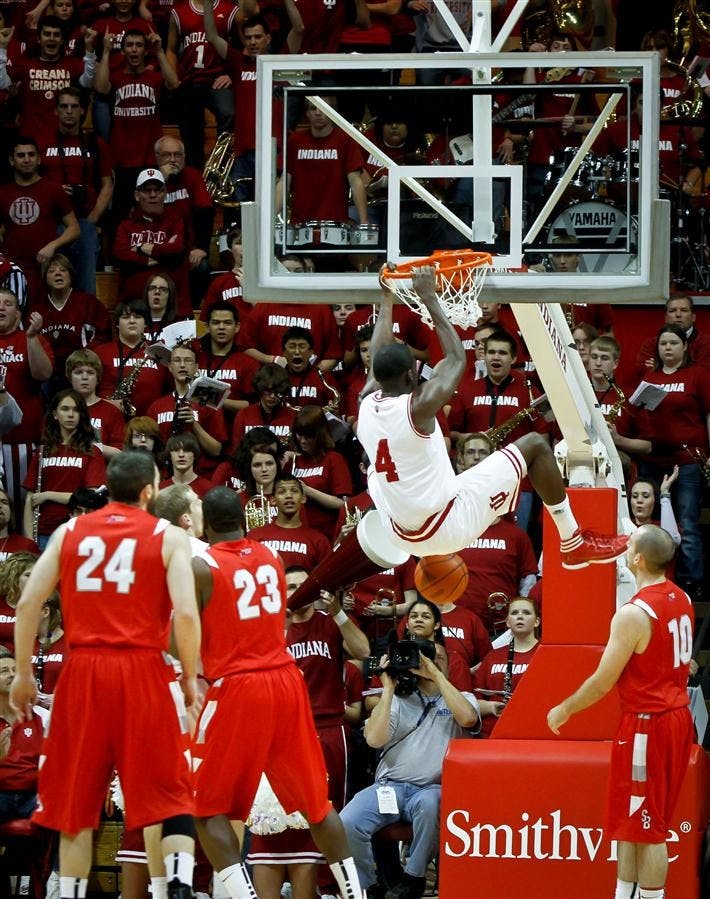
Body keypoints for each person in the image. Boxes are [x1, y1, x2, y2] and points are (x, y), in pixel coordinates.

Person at [10, 449, 199, 899]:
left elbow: (27, 604)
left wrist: (22, 674)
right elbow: (187, 616)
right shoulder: (167, 535)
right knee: (165, 795)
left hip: (83, 672)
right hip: (143, 670)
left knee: (75, 805)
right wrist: (190, 677)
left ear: (107, 488)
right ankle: (176, 884)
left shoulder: (70, 530)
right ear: (150, 491)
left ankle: (71, 892)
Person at [357, 266, 628, 568]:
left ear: (377, 376)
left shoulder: (366, 402)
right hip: (445, 523)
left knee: (377, 476)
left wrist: (386, 297)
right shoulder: (417, 408)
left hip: (400, 531)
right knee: (536, 445)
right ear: (411, 374)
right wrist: (429, 297)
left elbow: (380, 352)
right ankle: (572, 541)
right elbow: (457, 359)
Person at [190, 486, 365, 899]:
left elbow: (180, 633)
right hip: (286, 681)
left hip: (239, 685)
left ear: (206, 524)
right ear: (243, 520)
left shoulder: (202, 566)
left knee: (206, 807)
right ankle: (355, 894)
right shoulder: (271, 557)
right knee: (317, 806)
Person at [548, 524, 695, 899]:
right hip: (674, 717)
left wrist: (564, 709)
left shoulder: (634, 613)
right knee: (631, 822)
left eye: (629, 544)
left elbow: (602, 681)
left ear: (637, 558)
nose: (625, 548)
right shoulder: (682, 599)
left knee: (649, 827)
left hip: (650, 723)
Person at [340, 638, 479, 899]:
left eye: (438, 659)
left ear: (448, 666)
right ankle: (367, 887)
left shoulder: (463, 698)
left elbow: (468, 718)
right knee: (347, 822)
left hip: (431, 789)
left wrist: (436, 676)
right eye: (424, 659)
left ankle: (413, 879)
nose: (429, 664)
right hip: (389, 787)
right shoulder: (399, 699)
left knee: (429, 805)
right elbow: (374, 740)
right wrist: (389, 689)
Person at [38, 88, 114, 294]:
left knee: (85, 288)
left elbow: (108, 184)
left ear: (82, 111)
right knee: (46, 285)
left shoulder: (95, 143)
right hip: (50, 222)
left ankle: (86, 326)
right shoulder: (42, 143)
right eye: (64, 106)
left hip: (84, 221)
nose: (69, 111)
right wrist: (53, 190)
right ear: (56, 111)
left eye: (74, 106)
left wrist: (93, 219)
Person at [22, 389, 107, 548]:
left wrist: (48, 495)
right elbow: (30, 499)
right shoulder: (43, 451)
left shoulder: (92, 452)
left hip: (77, 531)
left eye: (76, 410)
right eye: (65, 409)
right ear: (55, 414)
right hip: (43, 533)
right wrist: (29, 541)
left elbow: (91, 498)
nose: (70, 414)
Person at [113, 169, 191, 313]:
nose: (153, 195)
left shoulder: (176, 221)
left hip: (171, 304)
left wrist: (140, 248)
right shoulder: (126, 226)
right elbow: (120, 254)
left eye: (158, 190)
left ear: (165, 193)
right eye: (147, 190)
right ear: (137, 195)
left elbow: (176, 249)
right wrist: (154, 258)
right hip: (133, 304)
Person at [472, 596, 540, 737]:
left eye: (526, 613)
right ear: (508, 622)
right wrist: (491, 707)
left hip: (531, 733)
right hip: (492, 733)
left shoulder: (546, 655)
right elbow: (473, 702)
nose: (520, 616)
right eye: (514, 613)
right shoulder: (492, 656)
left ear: (537, 621)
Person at [0, 653, 48, 822]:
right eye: (4, 671)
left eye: (15, 670)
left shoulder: (41, 716)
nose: (13, 675)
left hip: (33, 795)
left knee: (57, 810)